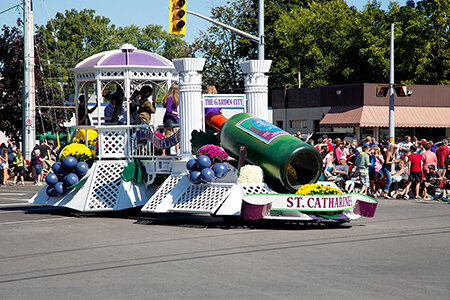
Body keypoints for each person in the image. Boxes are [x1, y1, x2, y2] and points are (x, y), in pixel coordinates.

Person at [162, 83, 180, 156]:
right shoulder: (170, 98)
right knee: (167, 136)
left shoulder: (175, 98)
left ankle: (177, 152)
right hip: (169, 118)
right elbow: (168, 109)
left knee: (177, 135)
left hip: (174, 118)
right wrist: (177, 114)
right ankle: (164, 152)